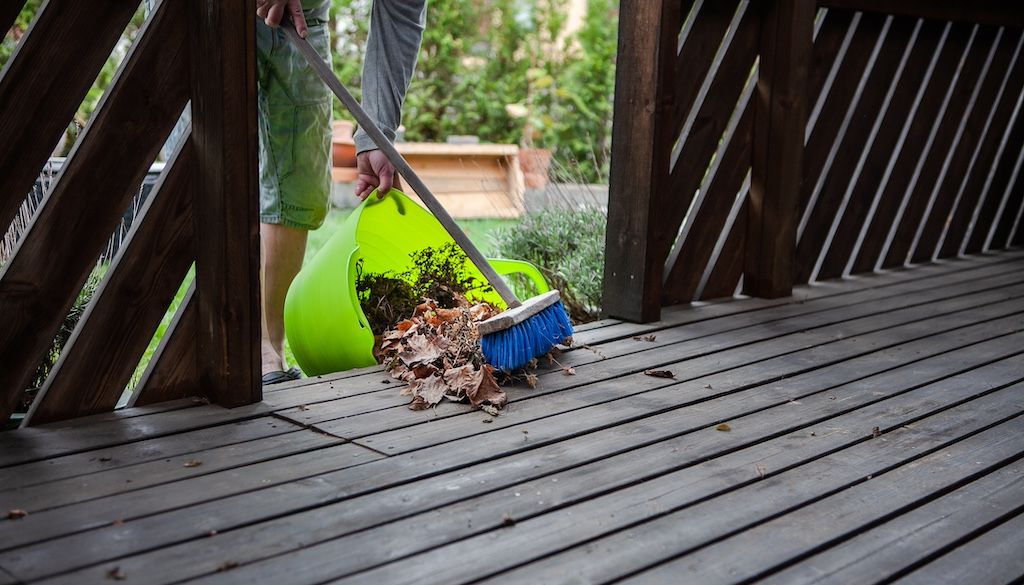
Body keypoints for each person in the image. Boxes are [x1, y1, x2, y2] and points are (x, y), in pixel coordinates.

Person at [255, 0, 426, 384]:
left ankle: (271, 347)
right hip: (204, 16)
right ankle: (245, 344)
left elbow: (400, 10)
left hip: (303, 16)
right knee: (218, 171)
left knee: (299, 186)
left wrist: (377, 131)